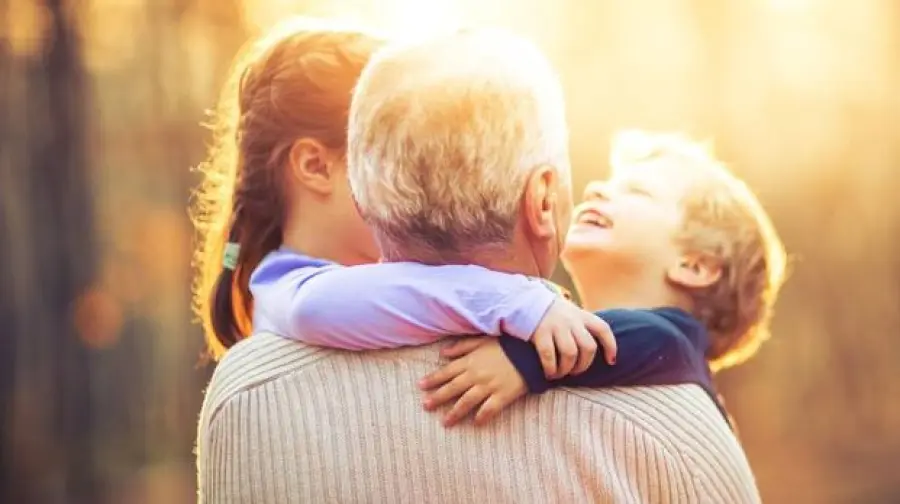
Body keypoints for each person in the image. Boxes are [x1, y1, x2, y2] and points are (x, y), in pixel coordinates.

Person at [196, 26, 764, 503]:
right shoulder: (676, 428)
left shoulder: (249, 396)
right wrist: (519, 308)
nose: (597, 192)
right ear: (542, 200)